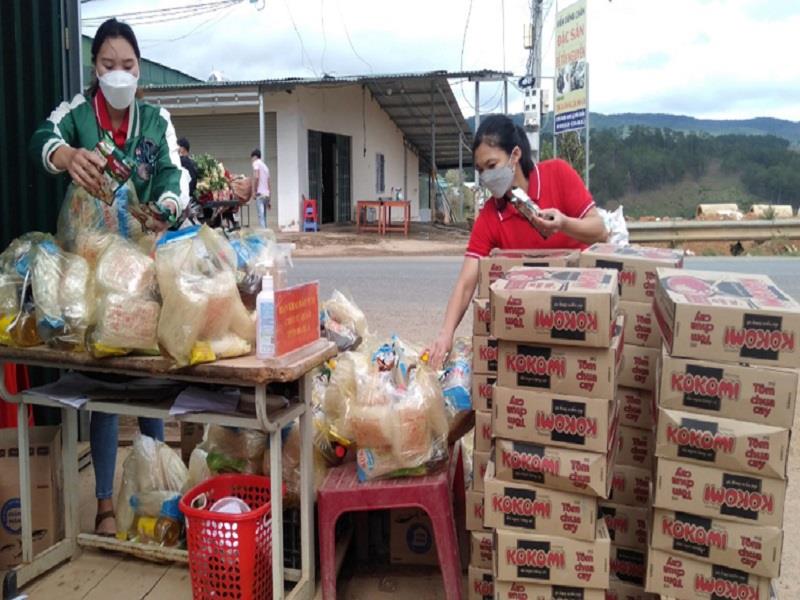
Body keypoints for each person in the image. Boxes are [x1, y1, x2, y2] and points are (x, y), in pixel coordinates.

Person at [29, 18, 190, 536]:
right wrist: (66, 155)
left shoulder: (154, 121)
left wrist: (167, 205)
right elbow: (42, 137)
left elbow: (173, 175)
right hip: (91, 267)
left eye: (128, 66)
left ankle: (158, 500)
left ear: (139, 72)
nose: (119, 74)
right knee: (103, 388)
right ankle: (103, 504)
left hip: (142, 267)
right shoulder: (78, 115)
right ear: (94, 69)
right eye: (108, 65)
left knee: (147, 381)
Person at [429, 114, 607, 368]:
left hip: (581, 314)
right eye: (480, 170)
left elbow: (600, 230)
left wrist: (563, 223)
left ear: (514, 156)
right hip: (534, 320)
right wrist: (445, 335)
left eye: (492, 166)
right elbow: (466, 282)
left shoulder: (557, 174)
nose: (486, 177)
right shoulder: (492, 214)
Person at [250, 148, 271, 228]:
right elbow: (269, 184)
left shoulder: (256, 163)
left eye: (252, 158)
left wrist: (253, 191)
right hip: (266, 195)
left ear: (255, 157)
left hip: (260, 194)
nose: (252, 160)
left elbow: (256, 177)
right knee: (264, 217)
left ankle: (264, 235)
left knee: (261, 216)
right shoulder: (266, 167)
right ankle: (266, 234)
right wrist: (269, 200)